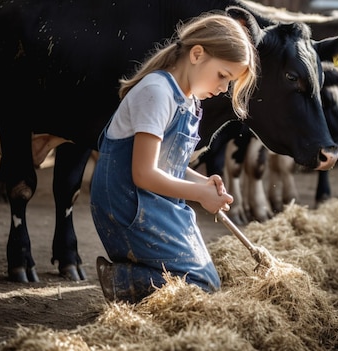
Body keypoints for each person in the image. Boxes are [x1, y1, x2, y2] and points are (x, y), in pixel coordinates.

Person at [90, 12, 258, 303]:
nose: (222, 89)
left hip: (153, 203)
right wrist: (199, 195)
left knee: (209, 280)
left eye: (228, 83)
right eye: (222, 76)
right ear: (197, 54)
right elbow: (143, 173)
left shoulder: (187, 99)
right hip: (127, 206)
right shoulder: (157, 92)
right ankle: (122, 281)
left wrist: (203, 183)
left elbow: (169, 166)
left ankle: (139, 271)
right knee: (201, 283)